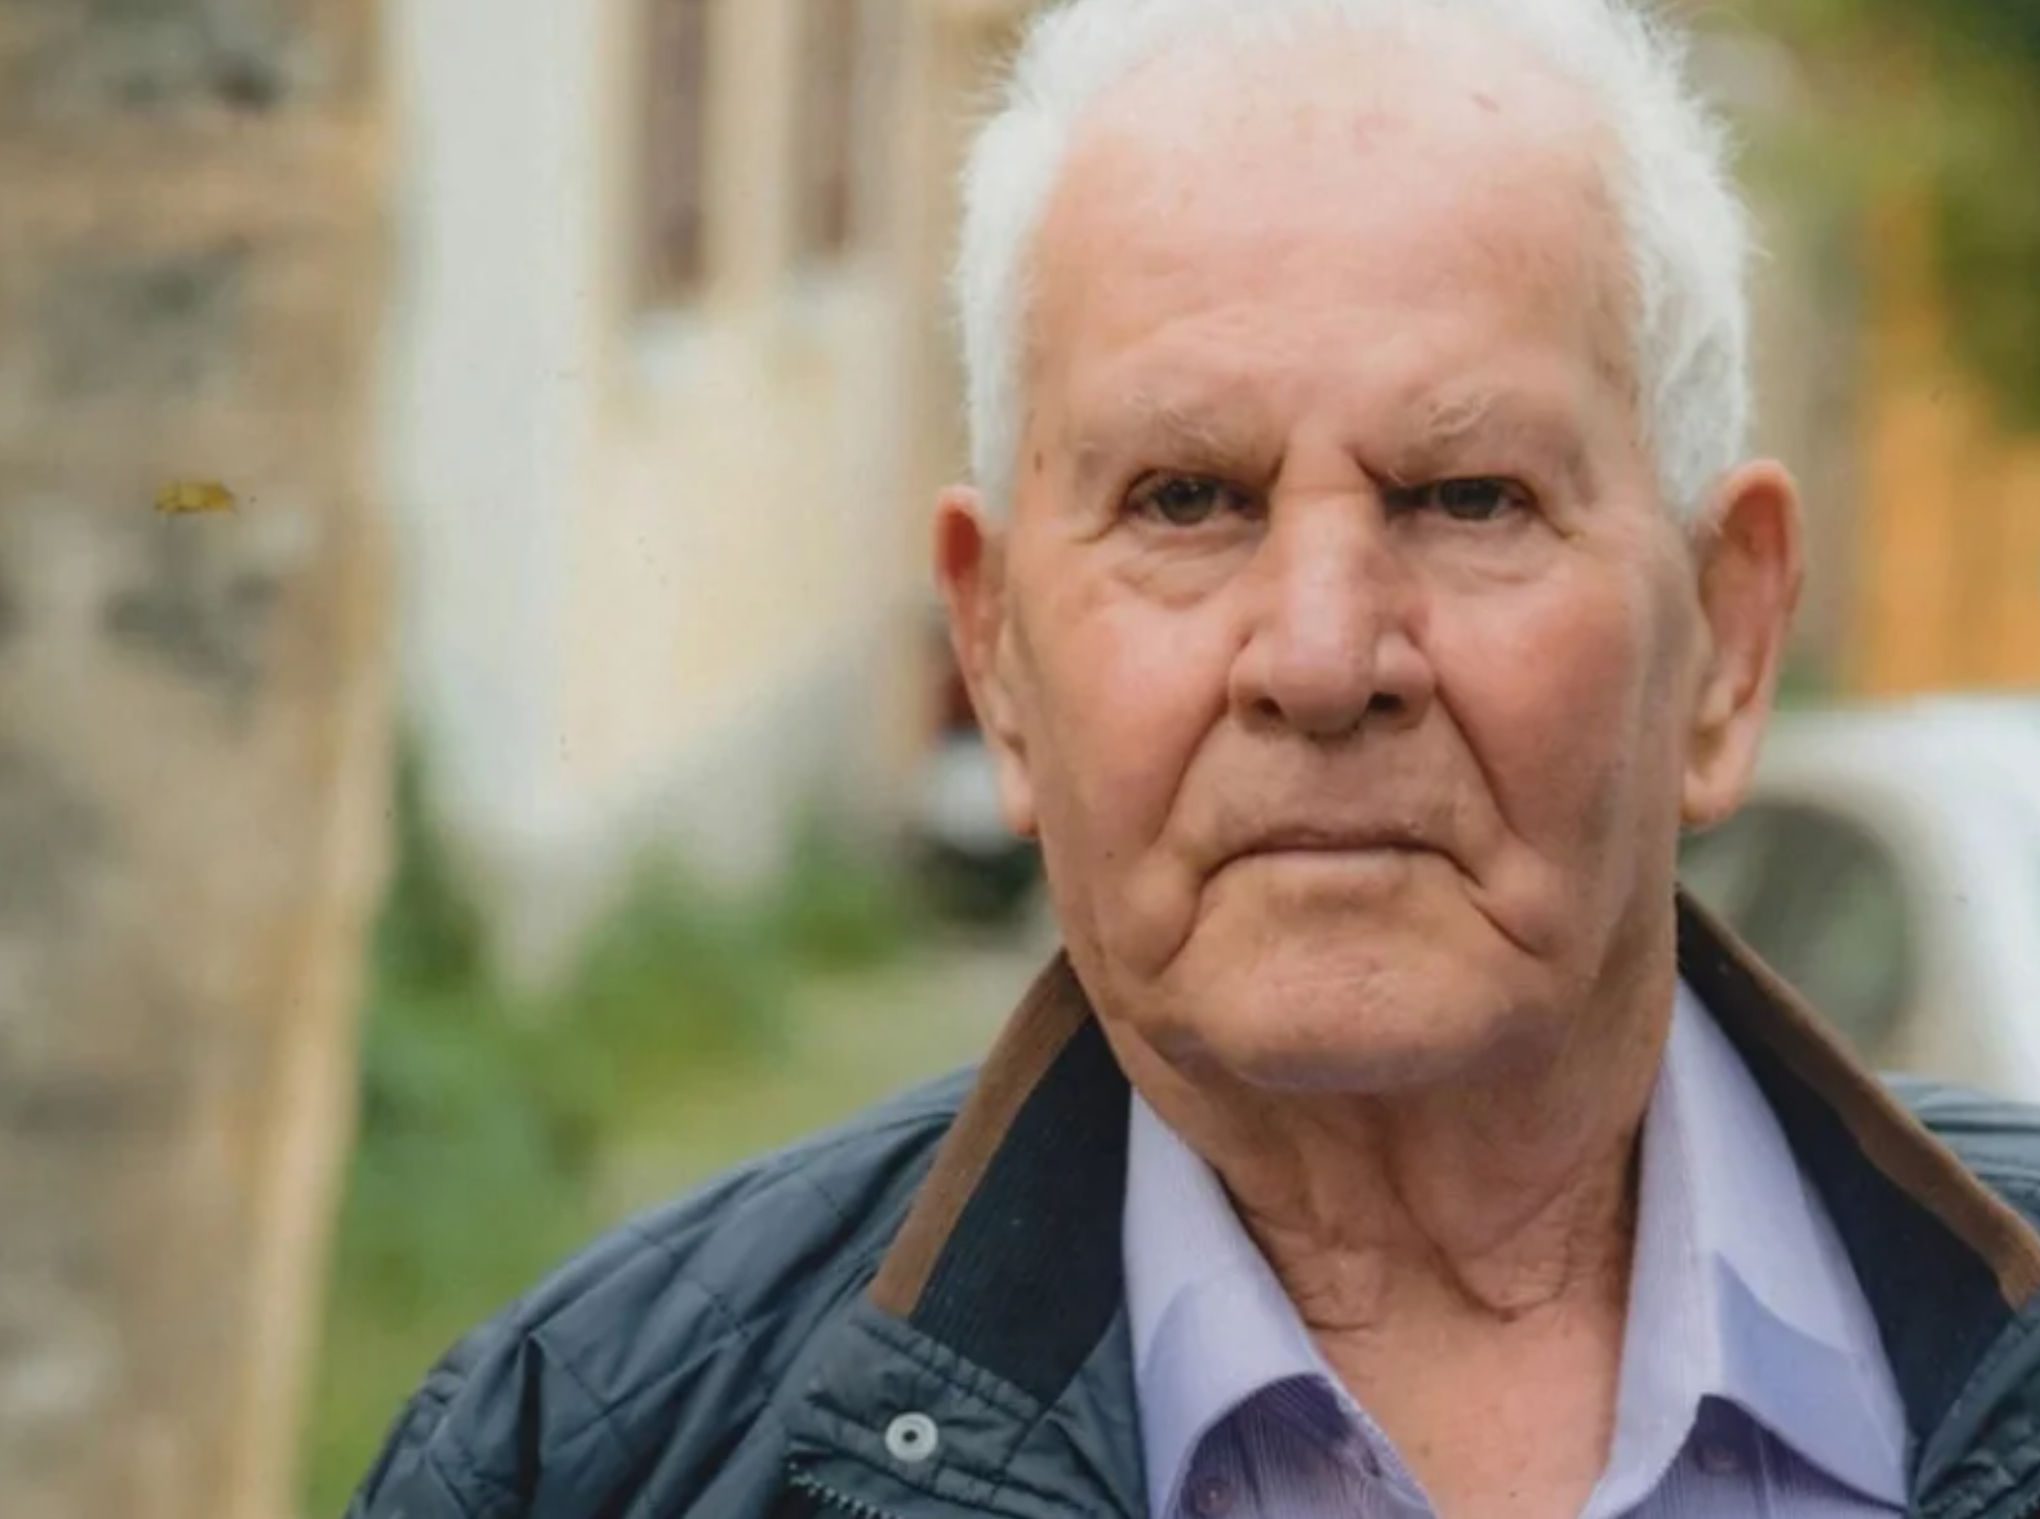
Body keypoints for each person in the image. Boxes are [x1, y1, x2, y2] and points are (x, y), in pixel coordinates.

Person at [346, 2, 2040, 1515]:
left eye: (1467, 498)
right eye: (1185, 500)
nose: (1320, 659)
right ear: (997, 656)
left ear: (1726, 643)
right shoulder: (575, 1465)